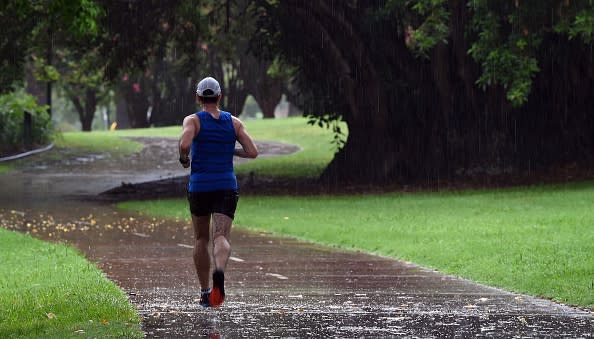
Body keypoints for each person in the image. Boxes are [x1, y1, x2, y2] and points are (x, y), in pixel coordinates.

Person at [178, 76, 258, 307]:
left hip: (200, 186)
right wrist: (232, 152)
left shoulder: (193, 121)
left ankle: (205, 292)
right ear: (220, 97)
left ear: (198, 98)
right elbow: (252, 151)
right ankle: (220, 271)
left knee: (201, 238)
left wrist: (184, 158)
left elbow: (184, 144)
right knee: (221, 236)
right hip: (225, 186)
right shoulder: (233, 123)